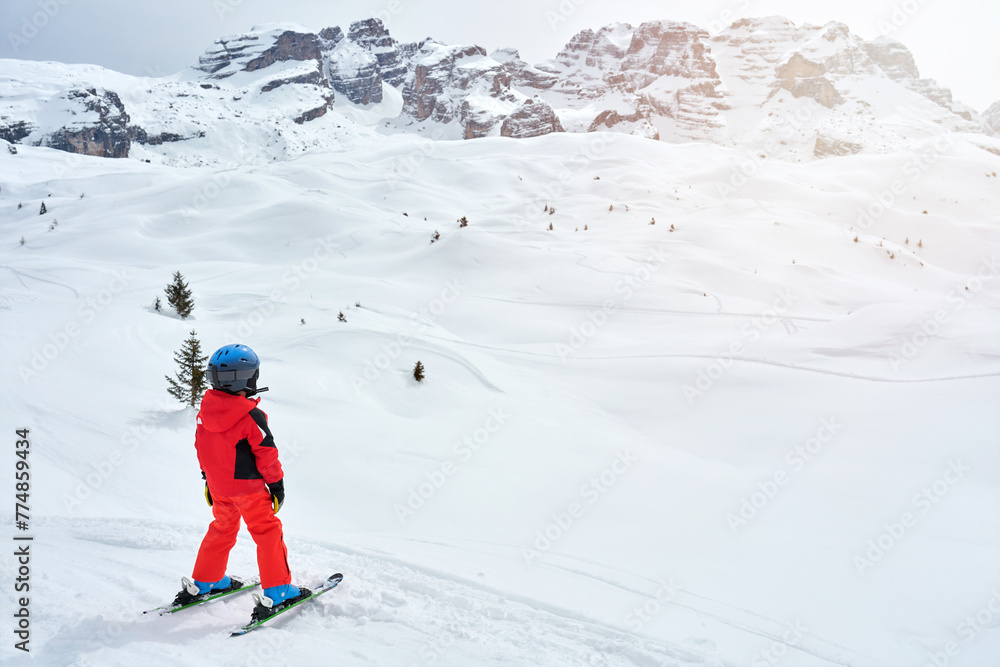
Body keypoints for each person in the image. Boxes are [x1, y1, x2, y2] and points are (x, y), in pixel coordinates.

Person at [173, 343, 306, 613]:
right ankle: (278, 590)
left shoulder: (205, 414)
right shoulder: (250, 415)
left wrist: (208, 480)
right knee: (268, 533)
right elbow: (266, 453)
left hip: (221, 489)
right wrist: (277, 485)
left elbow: (203, 449)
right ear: (245, 378)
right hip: (249, 491)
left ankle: (206, 581)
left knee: (222, 530)